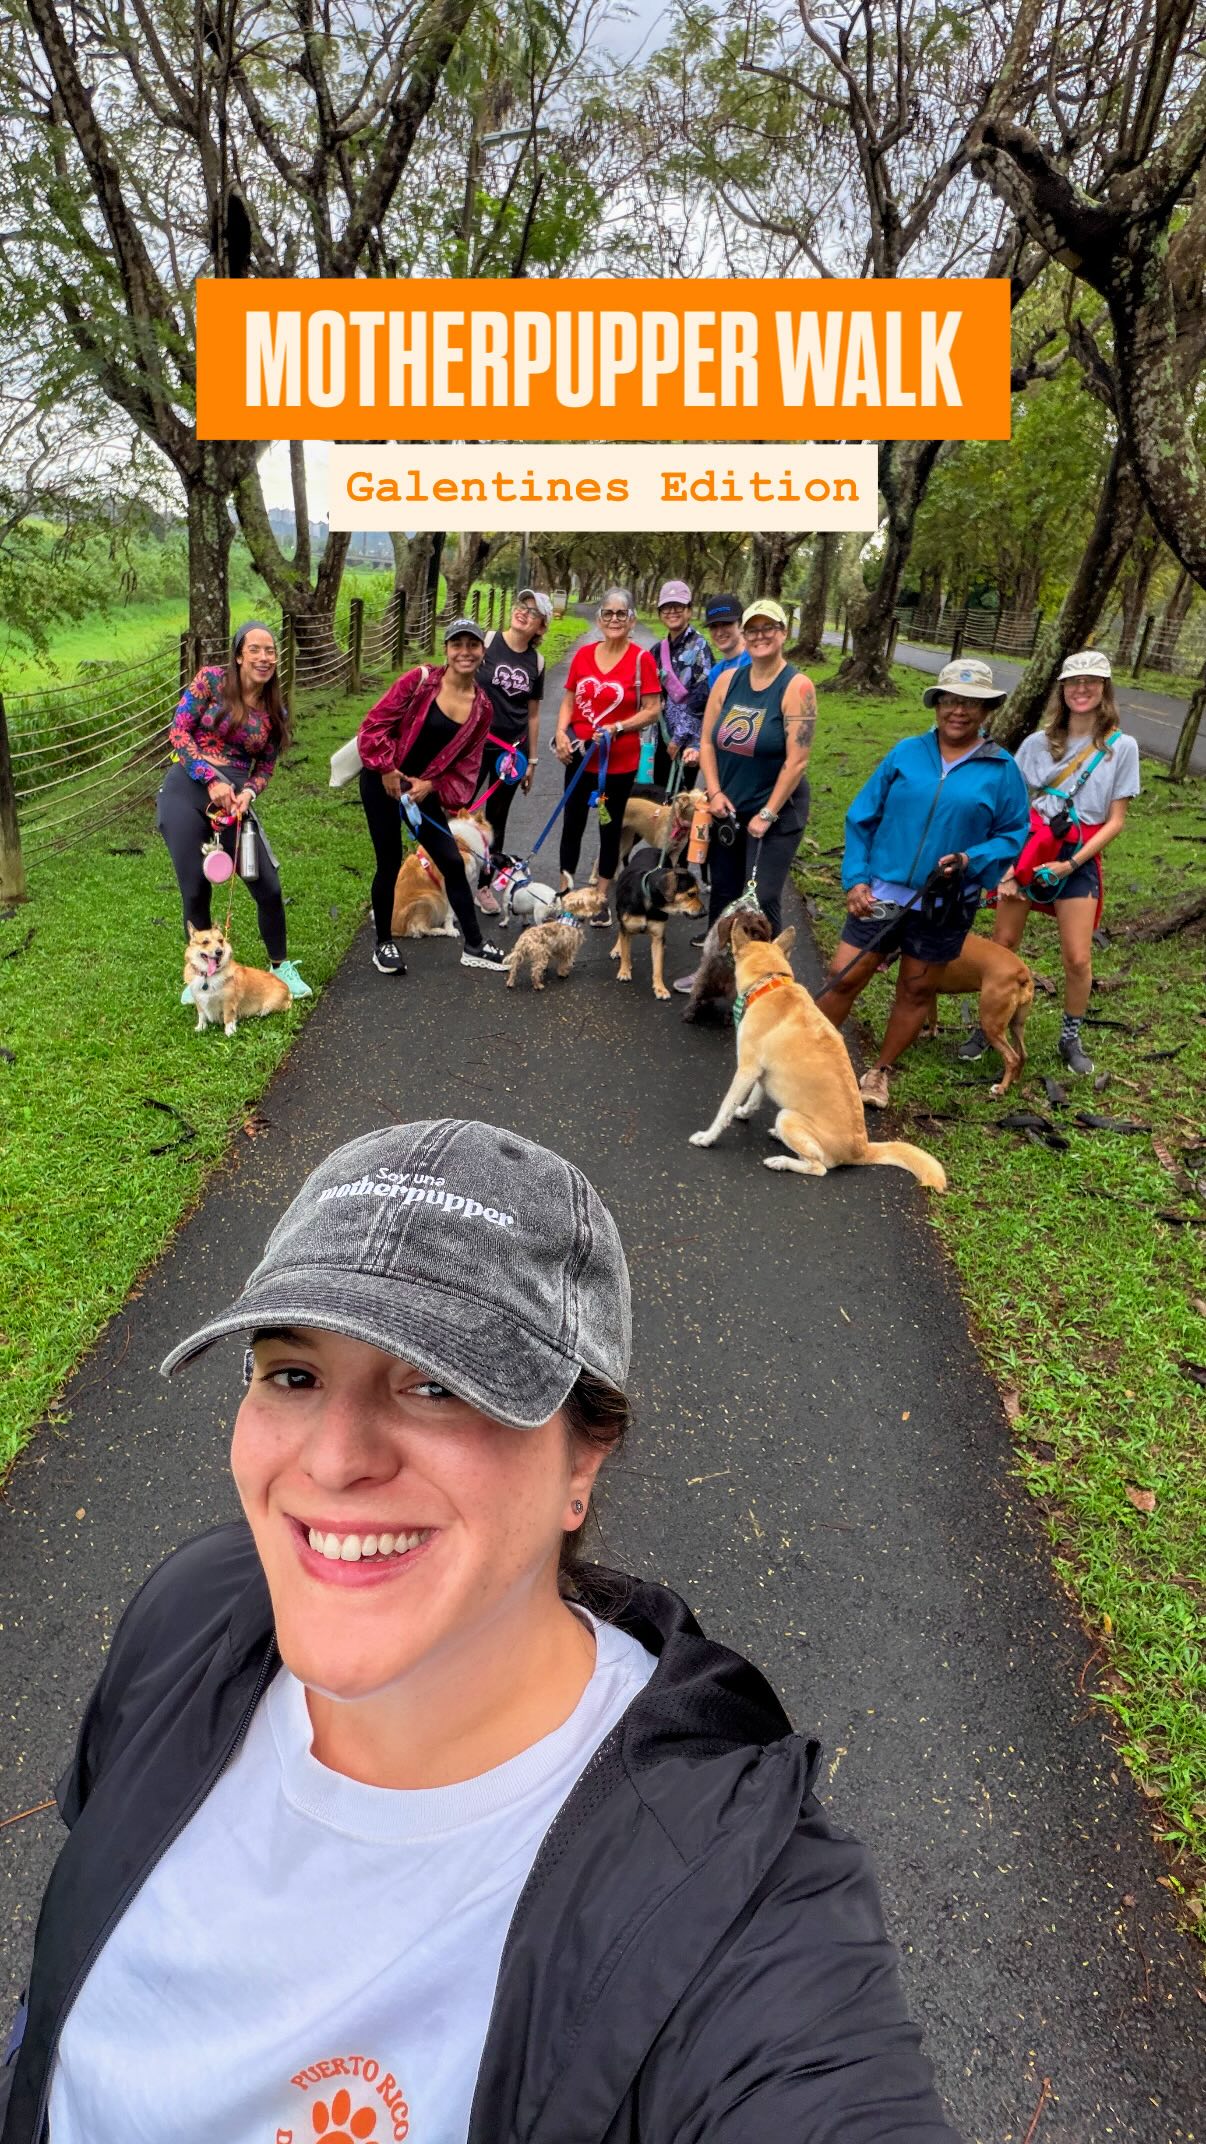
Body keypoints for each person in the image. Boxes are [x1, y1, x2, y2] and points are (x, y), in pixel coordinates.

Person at [0, 1117, 961, 2144]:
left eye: (437, 1385)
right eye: (294, 1374)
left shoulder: (725, 1894)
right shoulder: (197, 1609)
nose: (333, 1461)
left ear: (585, 1456)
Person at [825, 659, 1030, 1109]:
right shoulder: (906, 753)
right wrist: (856, 878)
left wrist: (971, 858)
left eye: (971, 703)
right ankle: (810, 1054)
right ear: (937, 704)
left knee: (916, 990)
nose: (959, 711)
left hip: (945, 903)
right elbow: (861, 817)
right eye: (950, 700)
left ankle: (878, 1072)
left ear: (986, 711)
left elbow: (1014, 834)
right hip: (881, 894)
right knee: (843, 976)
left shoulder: (1002, 769)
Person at [961, 650, 1140, 1078]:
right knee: (1002, 943)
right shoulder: (1036, 744)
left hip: (1078, 854)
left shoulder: (1122, 747)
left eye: (1091, 682)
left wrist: (1071, 864)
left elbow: (1115, 821)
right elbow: (1012, 808)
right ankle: (987, 1026)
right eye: (1074, 682)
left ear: (1104, 689)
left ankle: (1070, 1036)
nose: (1082, 689)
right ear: (1062, 689)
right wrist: (1008, 869)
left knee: (1077, 957)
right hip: (1029, 850)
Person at [158, 618, 311, 1002]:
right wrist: (209, 777)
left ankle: (281, 967)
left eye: (270, 651)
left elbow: (266, 767)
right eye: (254, 649)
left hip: (234, 804)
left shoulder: (275, 710)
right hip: (185, 790)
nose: (264, 657)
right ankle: (201, 978)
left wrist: (249, 794)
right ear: (239, 655)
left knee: (266, 883)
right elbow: (179, 731)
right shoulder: (210, 681)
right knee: (194, 887)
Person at [357, 618, 506, 975]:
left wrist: (431, 785)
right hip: (382, 781)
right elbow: (374, 725)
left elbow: (466, 763)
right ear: (447, 650)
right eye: (458, 645)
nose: (465, 652)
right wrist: (387, 768)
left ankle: (474, 945)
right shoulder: (420, 681)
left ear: (482, 651)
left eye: (472, 645)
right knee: (389, 862)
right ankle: (383, 944)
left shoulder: (482, 708)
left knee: (451, 861)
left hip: (421, 792)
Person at [695, 598, 815, 936]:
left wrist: (767, 813)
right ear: (744, 635)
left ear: (783, 633)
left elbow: (797, 760)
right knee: (723, 892)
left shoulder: (797, 686)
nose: (760, 636)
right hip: (729, 806)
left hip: (776, 811)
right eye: (752, 630)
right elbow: (707, 742)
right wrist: (714, 792)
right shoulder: (727, 680)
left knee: (759, 899)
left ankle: (767, 966)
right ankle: (717, 962)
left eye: (768, 628)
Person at [555, 589, 660, 925]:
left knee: (609, 827)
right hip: (580, 757)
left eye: (621, 613)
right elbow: (569, 700)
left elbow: (653, 709)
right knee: (572, 823)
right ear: (599, 619)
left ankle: (601, 897)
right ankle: (566, 892)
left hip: (618, 764)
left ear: (632, 620)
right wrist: (560, 733)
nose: (614, 619)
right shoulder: (584, 655)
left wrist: (619, 727)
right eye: (608, 613)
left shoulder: (642, 660)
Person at [474, 588, 551, 909]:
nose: (523, 613)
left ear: (541, 626)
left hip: (510, 753)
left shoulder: (537, 662)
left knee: (497, 818)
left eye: (533, 612)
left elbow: (533, 715)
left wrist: (531, 761)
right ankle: (444, 875)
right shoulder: (487, 641)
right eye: (522, 606)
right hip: (474, 745)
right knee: (457, 807)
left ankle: (484, 885)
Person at [652, 578, 713, 781]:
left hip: (689, 741)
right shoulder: (657, 650)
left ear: (689, 610)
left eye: (678, 606)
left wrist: (679, 737)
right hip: (662, 734)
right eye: (666, 607)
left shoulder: (700, 646)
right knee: (659, 790)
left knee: (682, 794)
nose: (672, 612)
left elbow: (702, 695)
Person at [703, 591, 749, 688]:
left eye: (726, 623)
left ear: (741, 625)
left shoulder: (757, 662)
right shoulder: (715, 673)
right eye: (713, 626)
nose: (719, 633)